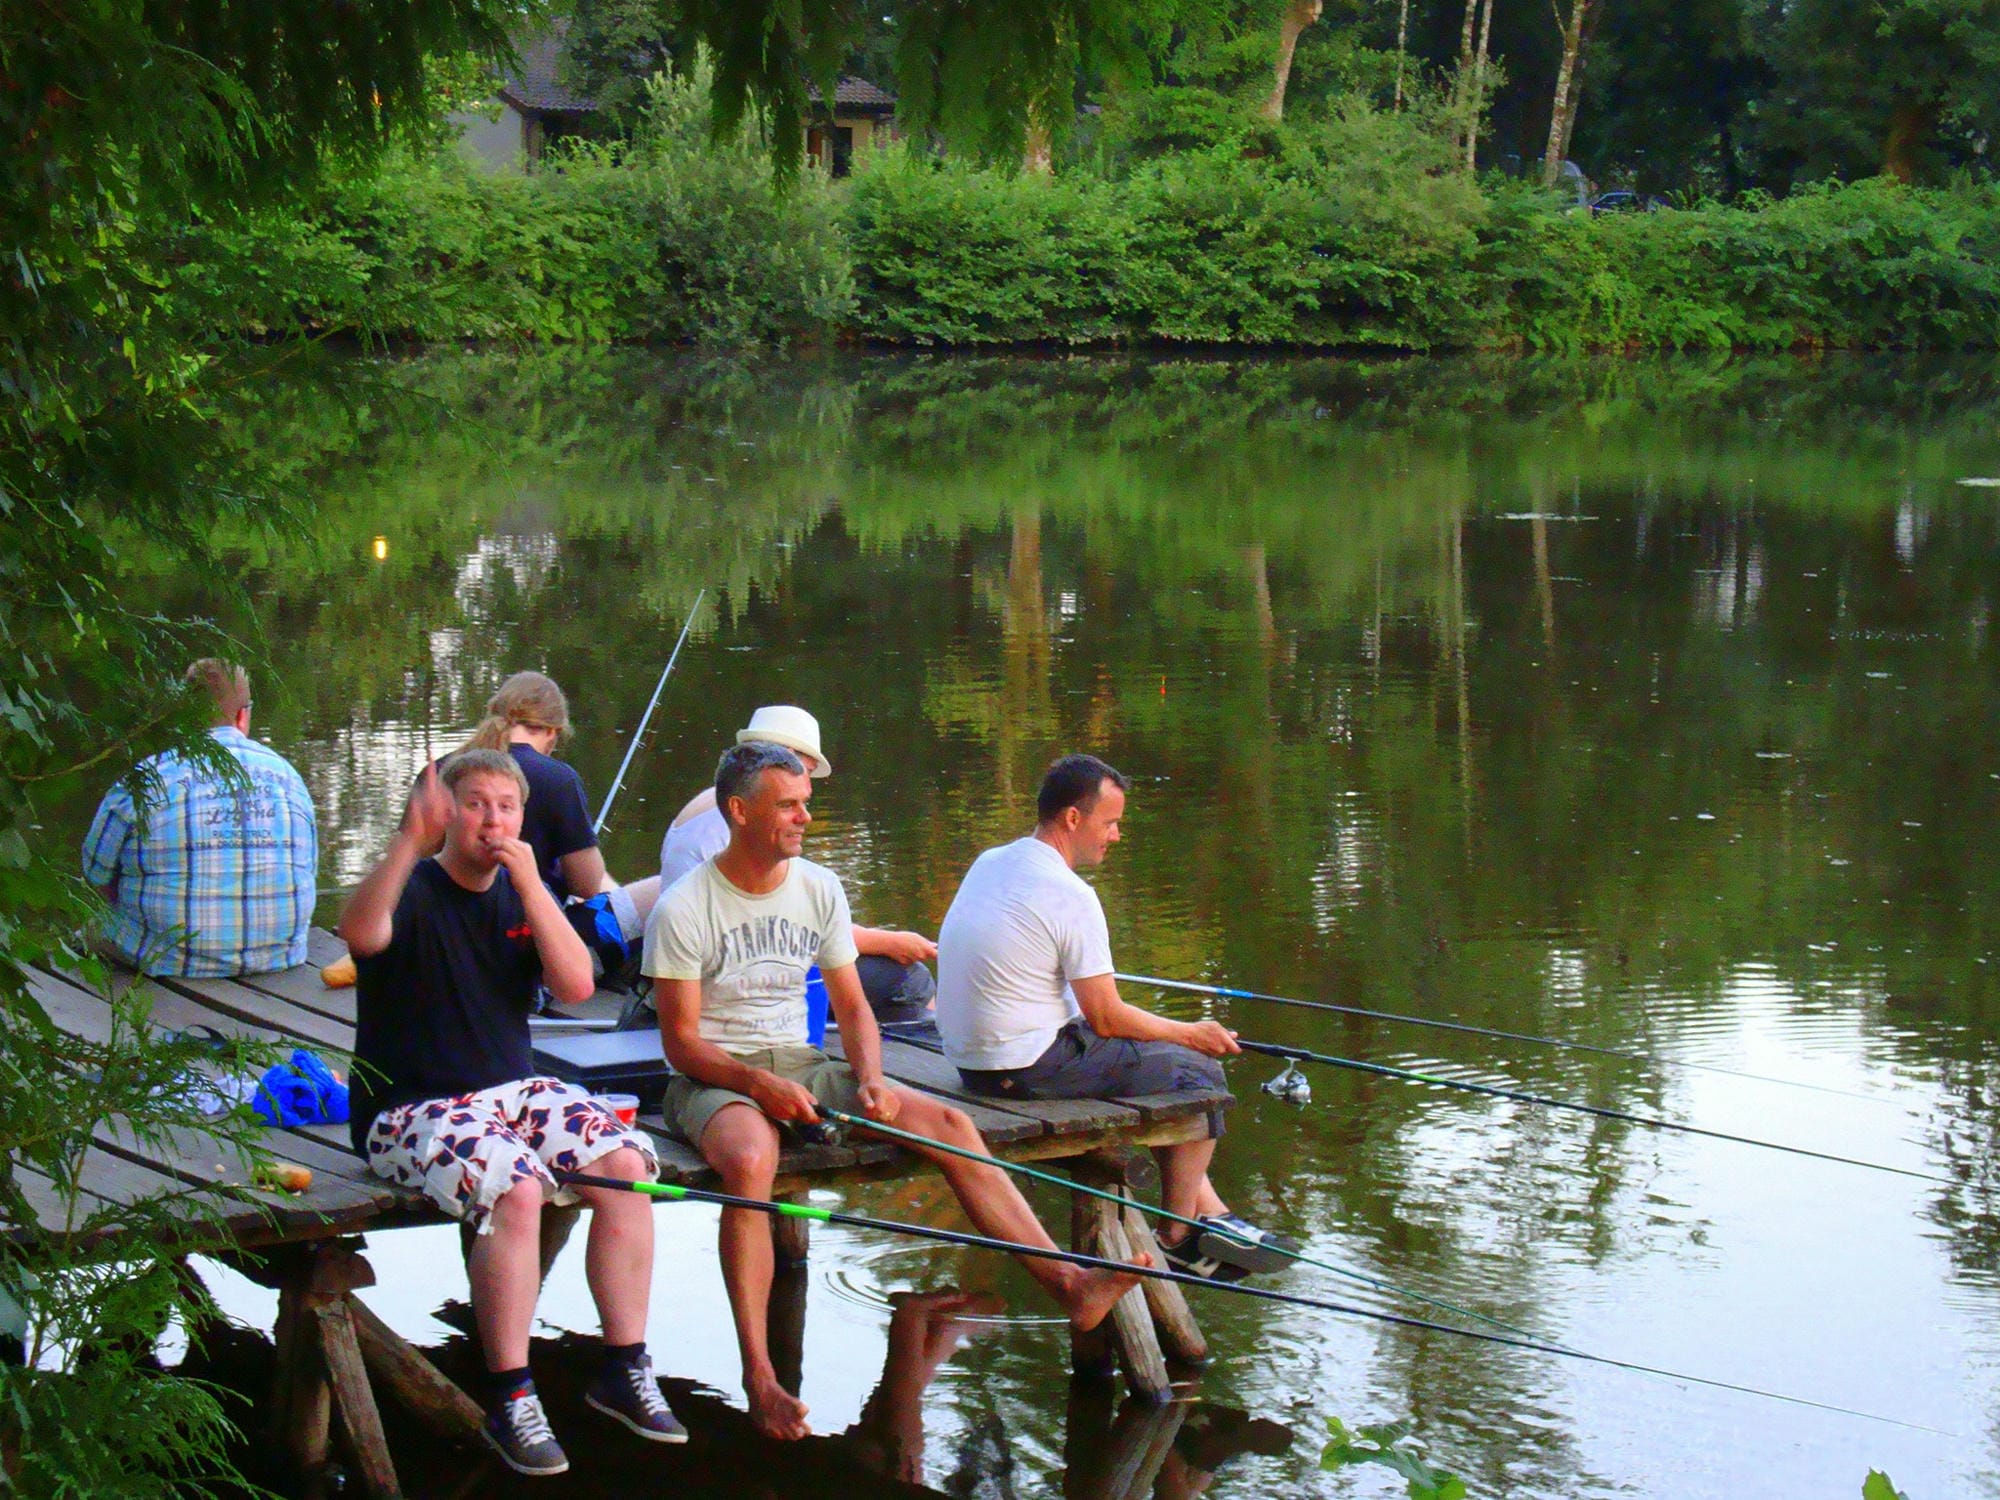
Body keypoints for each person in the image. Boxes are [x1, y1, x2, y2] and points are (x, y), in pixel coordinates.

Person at [643, 741, 1144, 1441]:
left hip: (804, 1063)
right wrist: (754, 1082)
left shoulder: (818, 887)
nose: (803, 818)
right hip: (712, 1078)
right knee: (751, 1161)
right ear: (739, 811)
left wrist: (872, 1080)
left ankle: (1071, 1286)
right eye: (788, 804)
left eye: (805, 804)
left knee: (946, 1122)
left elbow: (853, 1010)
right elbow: (680, 1041)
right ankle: (760, 1376)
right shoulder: (685, 906)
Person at [338, 748, 683, 1475]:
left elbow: (579, 985)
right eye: (475, 804)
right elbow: (361, 935)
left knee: (624, 1162)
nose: (492, 820)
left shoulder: (523, 896)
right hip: (407, 1107)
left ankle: (623, 1366)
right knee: (520, 1188)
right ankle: (511, 1394)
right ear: (446, 813)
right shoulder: (415, 885)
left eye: (507, 806)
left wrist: (531, 882)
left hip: (511, 1093)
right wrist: (407, 840)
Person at [935, 753, 1294, 1282]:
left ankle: (1212, 1213)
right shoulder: (1069, 894)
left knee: (1169, 1060)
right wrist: (1192, 1034)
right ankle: (1178, 1235)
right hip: (1024, 1067)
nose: (1117, 835)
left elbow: (1086, 1007)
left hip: (974, 1059)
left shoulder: (993, 862)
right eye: (1111, 822)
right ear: (1073, 819)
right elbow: (1105, 1017)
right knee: (1200, 1074)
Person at [657, 704, 936, 1023]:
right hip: (730, 979)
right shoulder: (750, 820)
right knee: (912, 979)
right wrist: (888, 942)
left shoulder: (718, 801)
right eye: (805, 766)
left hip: (714, 963)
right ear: (781, 757)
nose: (809, 784)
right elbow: (782, 927)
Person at [81, 658, 317, 977]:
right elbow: (308, 870)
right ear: (242, 714)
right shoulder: (289, 778)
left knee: (93, 925)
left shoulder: (147, 778)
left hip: (168, 959)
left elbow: (95, 871)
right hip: (277, 956)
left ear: (183, 716)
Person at [455, 671, 661, 976]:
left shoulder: (442, 770)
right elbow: (589, 886)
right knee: (664, 888)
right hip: (524, 952)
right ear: (552, 732)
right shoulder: (557, 778)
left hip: (447, 938)